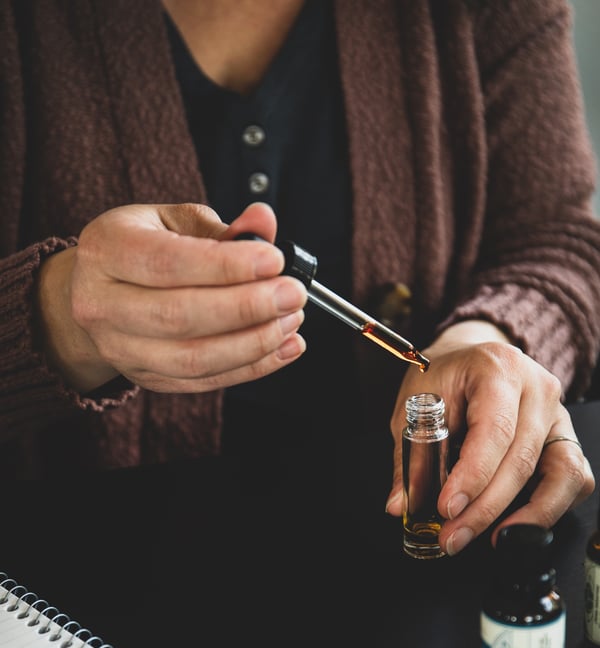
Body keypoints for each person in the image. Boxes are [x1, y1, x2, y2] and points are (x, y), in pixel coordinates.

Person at [0, 0, 598, 557]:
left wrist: (484, 340)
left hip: (392, 577)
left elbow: (556, 238)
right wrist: (56, 318)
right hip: (84, 583)